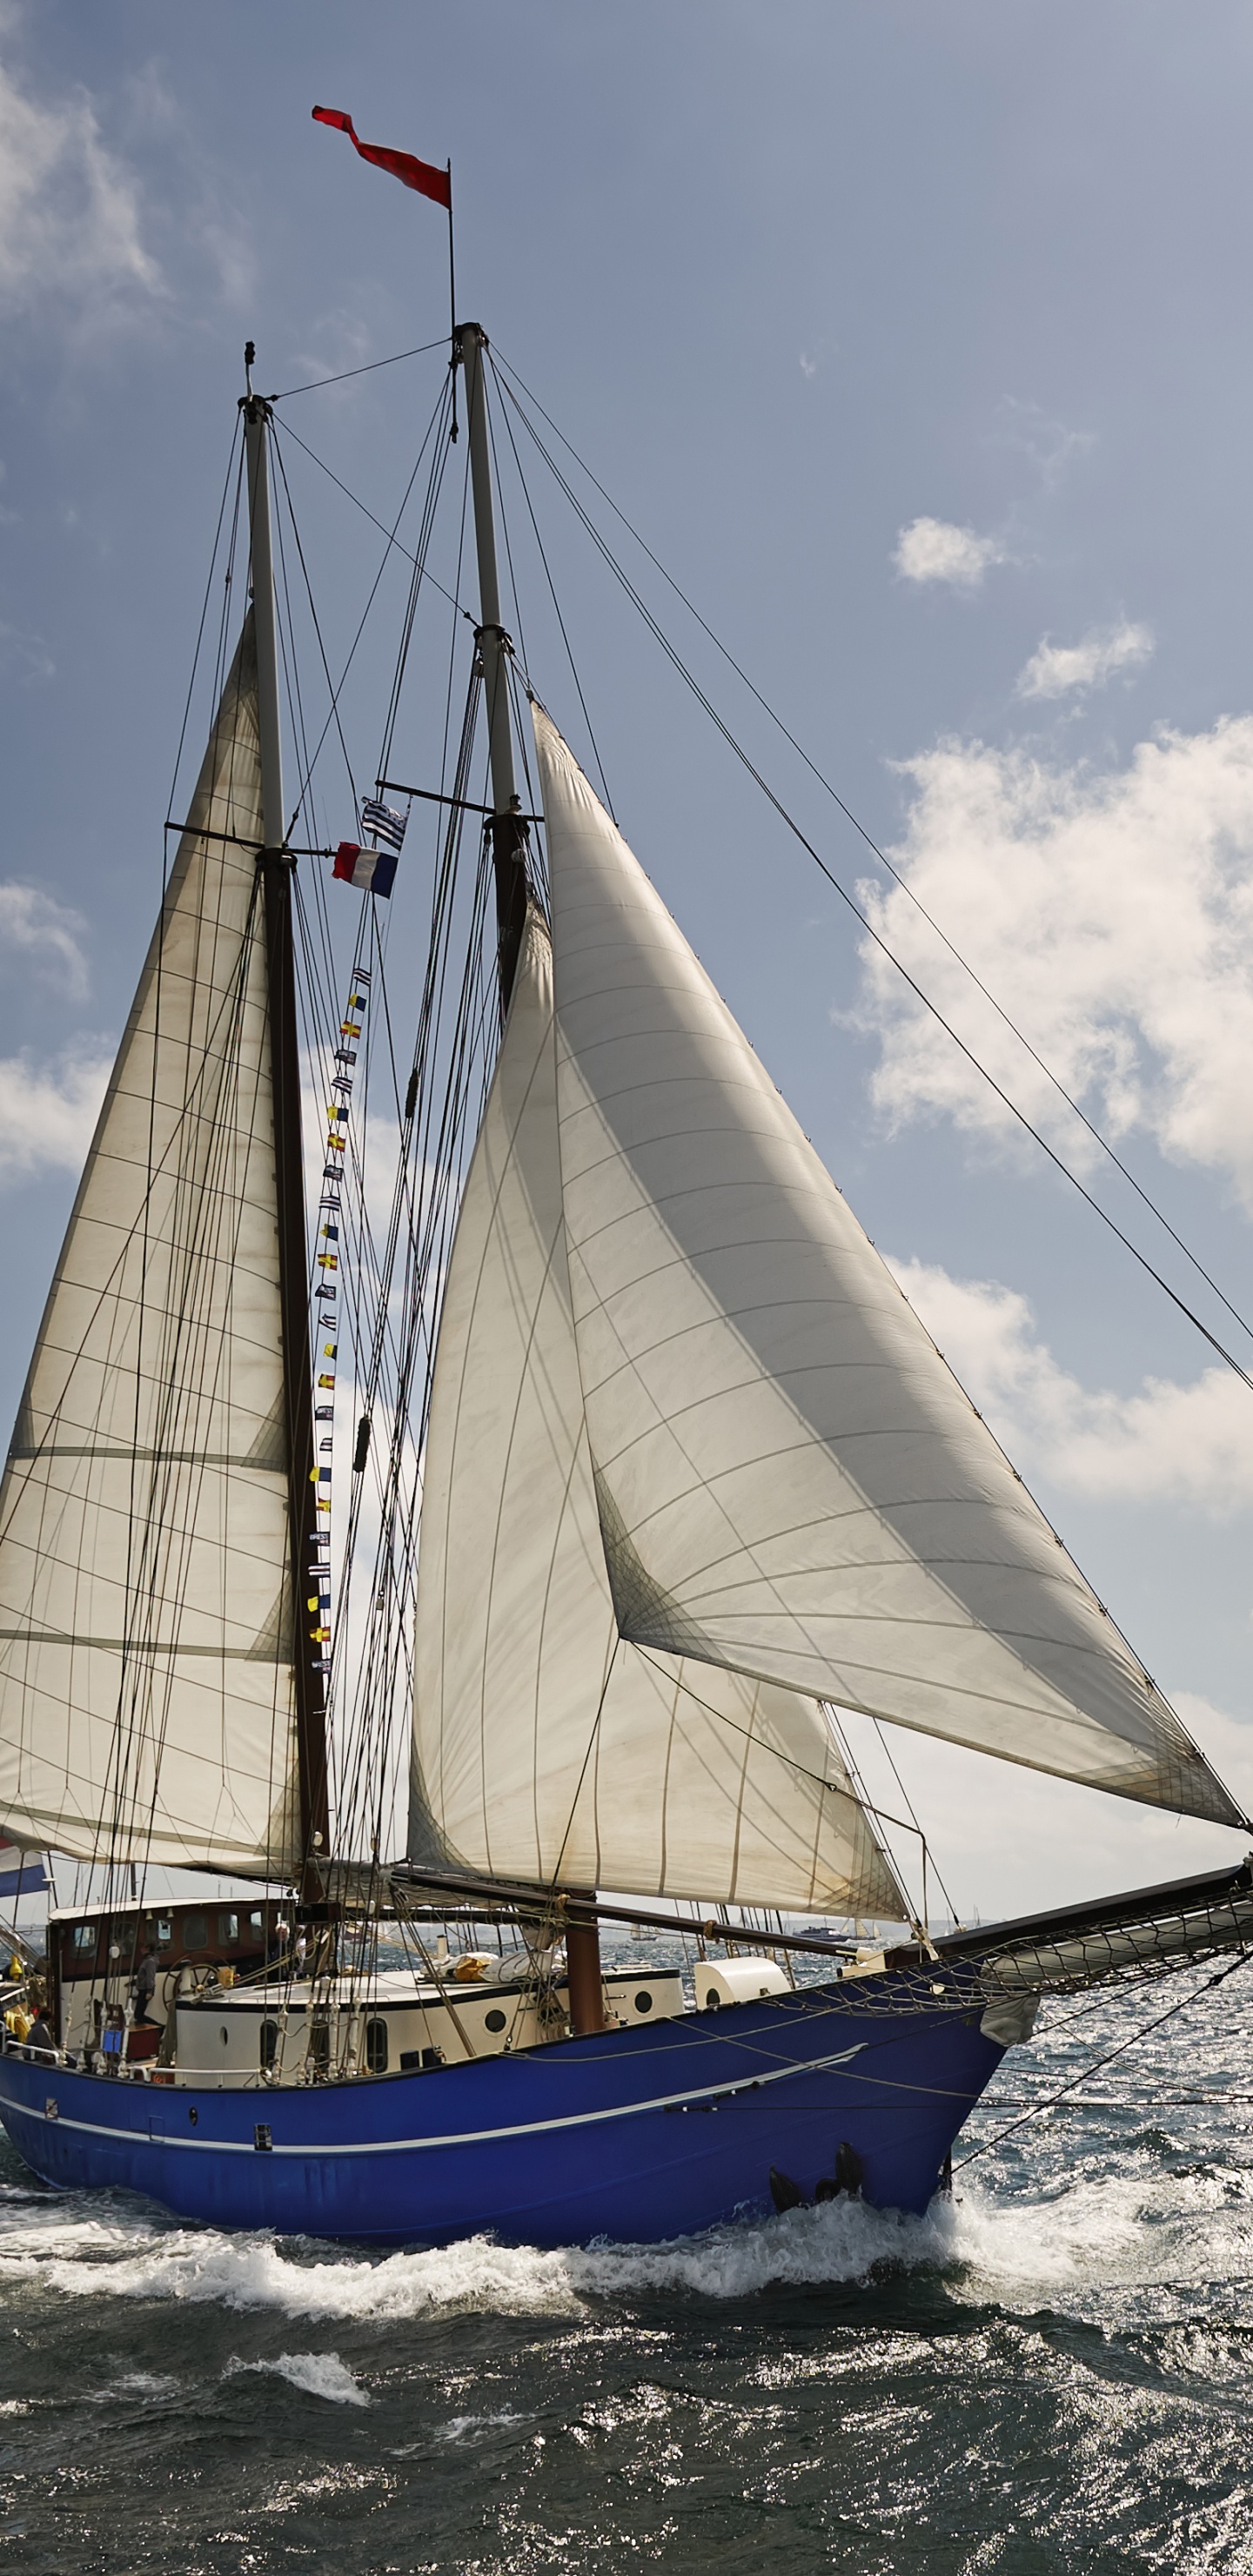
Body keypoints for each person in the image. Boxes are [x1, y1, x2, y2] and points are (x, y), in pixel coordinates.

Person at [131, 1944, 157, 2026]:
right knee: (138, 2015)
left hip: (145, 1990)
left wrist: (149, 1991)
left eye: (142, 1948)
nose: (141, 1950)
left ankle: (159, 2027)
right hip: (143, 1989)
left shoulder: (150, 1961)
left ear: (147, 1949)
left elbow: (150, 1977)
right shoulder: (147, 1960)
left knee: (138, 2015)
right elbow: (144, 1976)